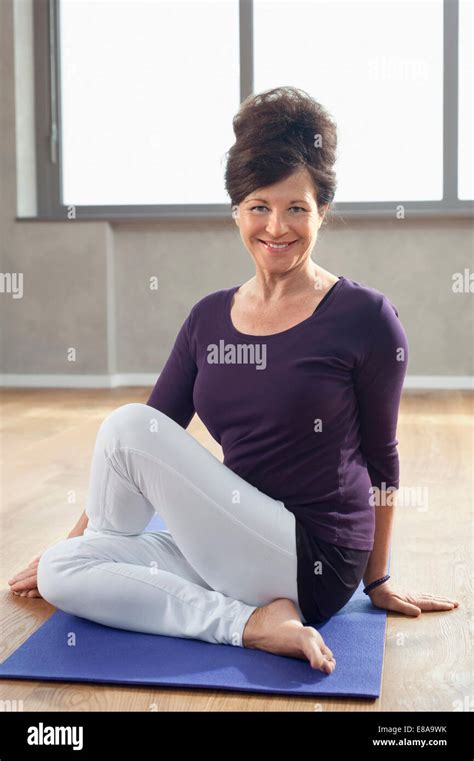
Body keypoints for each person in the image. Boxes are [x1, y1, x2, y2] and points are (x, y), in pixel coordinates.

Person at [8, 87, 459, 673]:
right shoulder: (208, 317)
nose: (277, 227)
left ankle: (252, 618)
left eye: (296, 207)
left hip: (309, 556)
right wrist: (77, 543)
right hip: (230, 542)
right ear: (236, 214)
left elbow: (382, 457)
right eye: (258, 206)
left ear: (323, 210)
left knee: (124, 424)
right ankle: (248, 622)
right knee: (60, 569)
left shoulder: (366, 317)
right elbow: (140, 444)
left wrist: (378, 580)